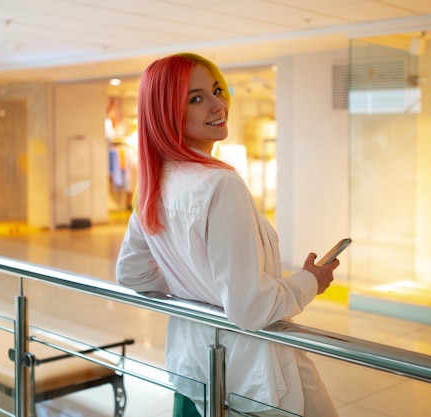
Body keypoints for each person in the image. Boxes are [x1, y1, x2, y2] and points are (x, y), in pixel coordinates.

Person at [115, 52, 341, 417]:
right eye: (196, 98)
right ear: (165, 112)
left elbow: (132, 273)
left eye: (217, 90)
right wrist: (310, 281)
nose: (219, 104)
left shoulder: (154, 185)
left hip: (193, 365)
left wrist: (196, 281)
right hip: (249, 376)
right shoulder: (221, 185)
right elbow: (250, 308)